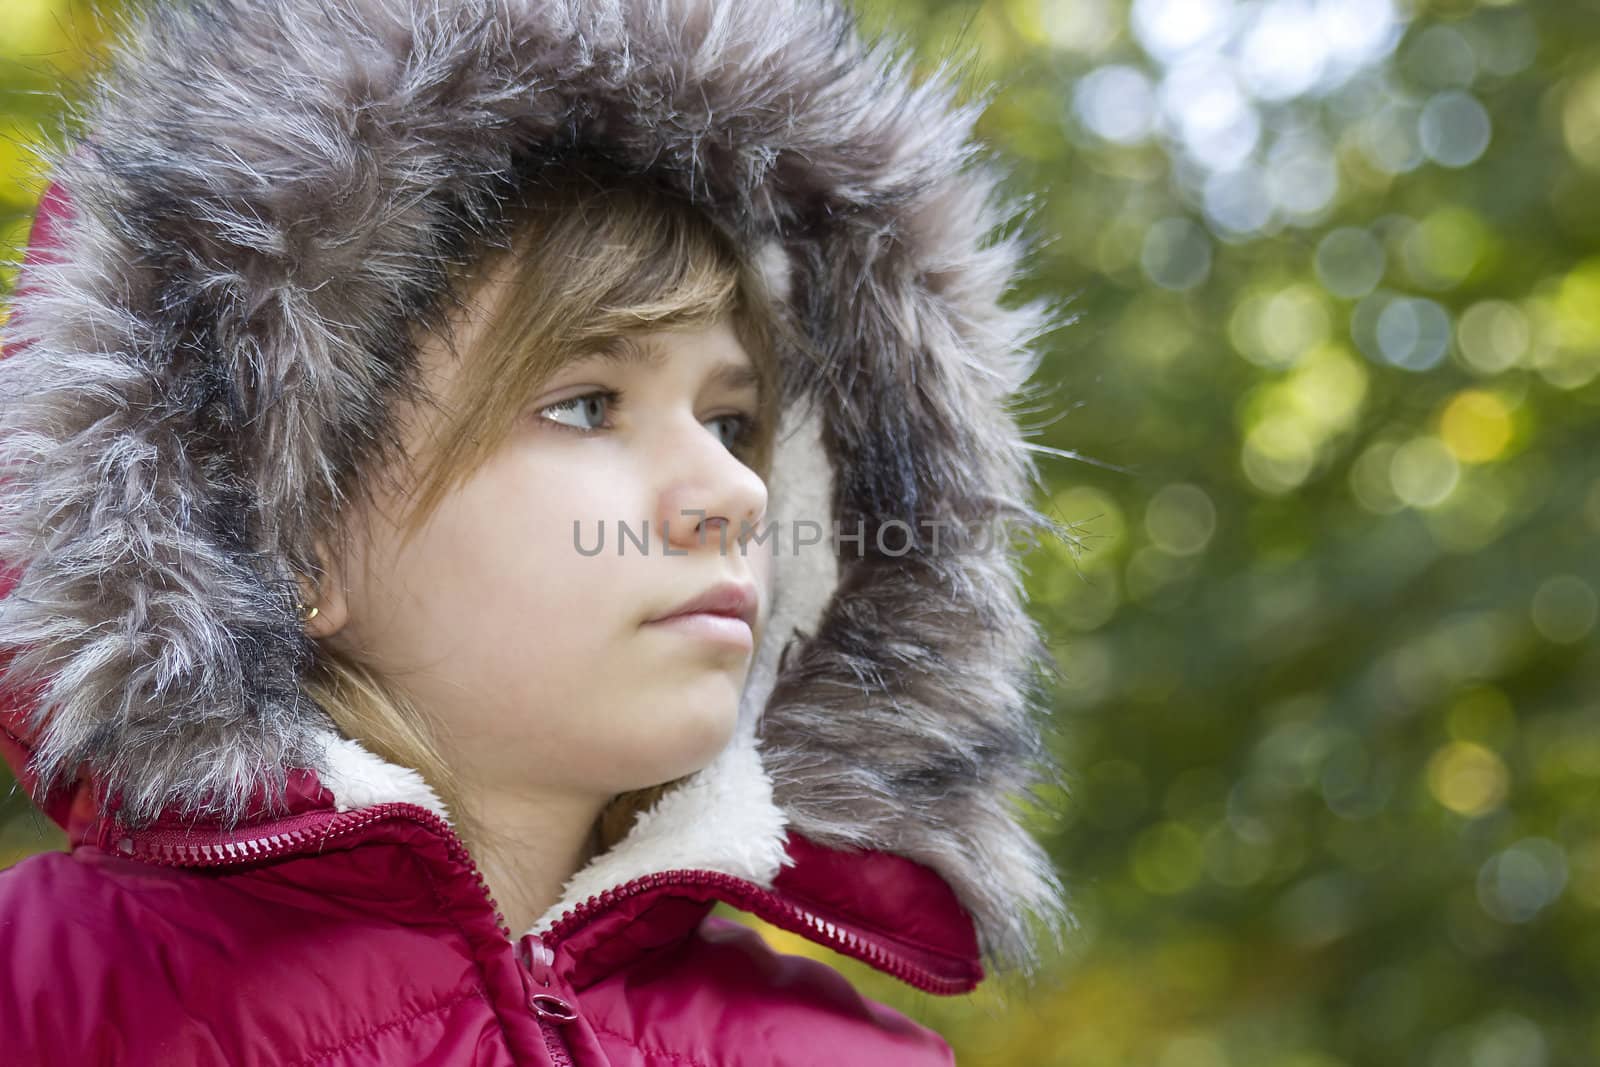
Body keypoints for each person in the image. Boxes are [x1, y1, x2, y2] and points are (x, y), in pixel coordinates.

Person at [0, 0, 1074, 1063]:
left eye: (734, 422)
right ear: (293, 534)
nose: (736, 493)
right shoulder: (40, 997)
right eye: (586, 403)